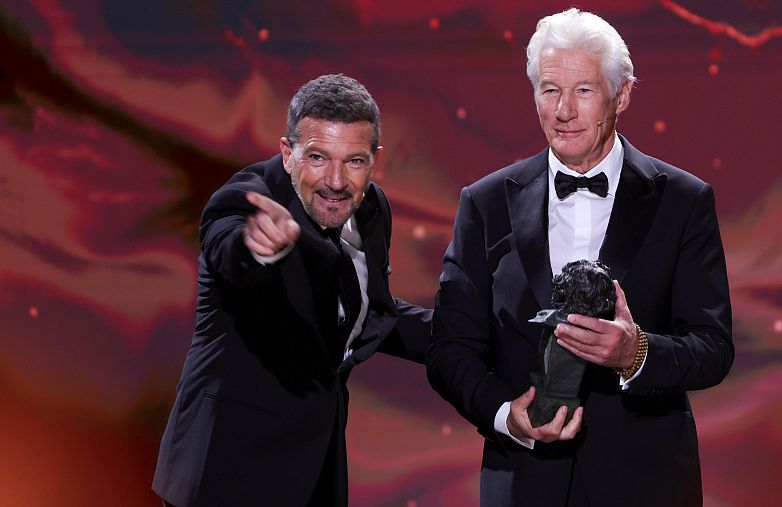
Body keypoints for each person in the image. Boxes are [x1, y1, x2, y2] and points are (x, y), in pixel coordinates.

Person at [426, 8, 734, 506]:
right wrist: (507, 415)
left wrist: (636, 354)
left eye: (584, 91)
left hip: (646, 484)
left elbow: (713, 347)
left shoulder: (683, 200)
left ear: (623, 94)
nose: (563, 110)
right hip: (524, 481)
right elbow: (449, 348)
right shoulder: (484, 204)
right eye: (550, 90)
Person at [152, 74, 431, 507]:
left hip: (315, 470)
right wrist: (258, 248)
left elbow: (359, 312)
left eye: (354, 161)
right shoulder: (246, 199)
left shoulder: (372, 207)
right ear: (287, 154)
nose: (336, 181)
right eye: (317, 158)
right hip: (228, 476)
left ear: (374, 159)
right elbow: (231, 254)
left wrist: (469, 333)